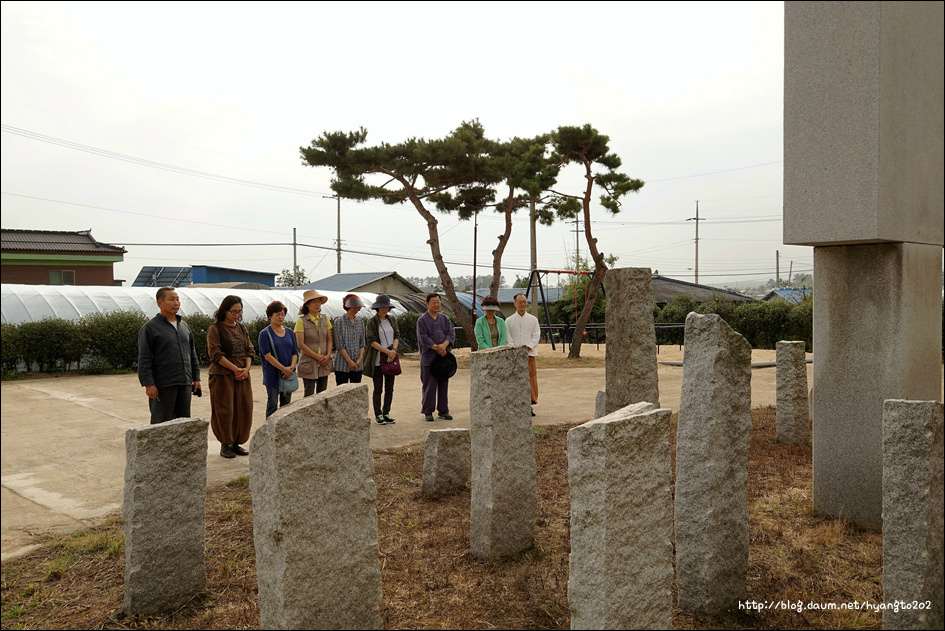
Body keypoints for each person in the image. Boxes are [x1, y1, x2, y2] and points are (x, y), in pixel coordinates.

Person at [137, 286, 201, 424]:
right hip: (163, 385)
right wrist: (148, 384)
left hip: (184, 383)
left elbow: (192, 354)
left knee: (183, 423)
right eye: (171, 299)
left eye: (177, 299)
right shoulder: (150, 328)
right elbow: (144, 358)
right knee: (162, 423)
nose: (176, 303)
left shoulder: (184, 326)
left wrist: (196, 378)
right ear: (159, 303)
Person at [207, 295, 255, 458]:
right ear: (224, 310)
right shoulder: (215, 328)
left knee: (243, 408)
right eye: (233, 311)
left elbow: (250, 350)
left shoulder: (242, 328)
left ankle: (236, 442)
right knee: (225, 409)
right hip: (223, 376)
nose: (236, 315)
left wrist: (246, 369)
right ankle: (225, 443)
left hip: (242, 375)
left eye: (239, 311)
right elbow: (215, 353)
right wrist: (235, 369)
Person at [416, 293, 455, 422]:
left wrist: (443, 346)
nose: (436, 304)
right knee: (429, 385)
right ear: (427, 304)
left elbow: (450, 334)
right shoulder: (422, 320)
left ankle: (443, 410)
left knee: (443, 385)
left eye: (438, 302)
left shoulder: (445, 319)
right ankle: (428, 411)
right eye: (433, 302)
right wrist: (436, 347)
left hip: (444, 358)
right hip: (429, 358)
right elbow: (423, 338)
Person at [363, 294, 400, 425]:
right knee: (378, 388)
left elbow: (396, 335)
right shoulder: (371, 322)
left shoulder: (392, 320)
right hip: (378, 359)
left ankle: (387, 412)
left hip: (391, 358)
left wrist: (393, 352)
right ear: (377, 308)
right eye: (382, 307)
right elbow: (371, 341)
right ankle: (378, 414)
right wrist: (387, 352)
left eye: (386, 307)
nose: (384, 310)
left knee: (390, 388)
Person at [259, 300, 298, 419]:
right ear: (270, 316)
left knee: (286, 405)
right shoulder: (265, 334)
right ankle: (269, 430)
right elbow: (267, 355)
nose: (280, 317)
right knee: (272, 403)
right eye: (277, 314)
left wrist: (291, 368)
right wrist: (283, 369)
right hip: (273, 374)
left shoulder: (290, 332)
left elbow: (294, 352)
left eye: (282, 314)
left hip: (288, 373)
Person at [505, 292, 541, 416]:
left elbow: (536, 335)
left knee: (530, 380)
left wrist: (528, 347)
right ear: (514, 304)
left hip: (529, 354)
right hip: (514, 355)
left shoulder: (533, 319)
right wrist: (515, 349)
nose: (522, 304)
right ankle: (516, 405)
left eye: (524, 301)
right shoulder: (509, 321)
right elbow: (508, 337)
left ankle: (529, 405)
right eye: (520, 302)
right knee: (515, 380)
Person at [294, 289, 333, 396]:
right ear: (307, 304)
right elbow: (300, 344)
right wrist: (317, 357)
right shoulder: (301, 321)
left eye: (319, 301)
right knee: (309, 395)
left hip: (324, 362)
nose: (317, 304)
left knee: (322, 394)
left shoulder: (325, 319)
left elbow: (329, 339)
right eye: (314, 302)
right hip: (309, 363)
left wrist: (328, 355)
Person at [333, 293, 366, 385]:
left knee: (356, 393)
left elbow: (362, 342)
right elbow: (339, 344)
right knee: (341, 392)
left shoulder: (360, 322)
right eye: (353, 307)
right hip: (342, 364)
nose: (356, 310)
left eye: (358, 307)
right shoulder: (339, 322)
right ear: (347, 306)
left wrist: (360, 358)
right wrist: (349, 361)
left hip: (357, 364)